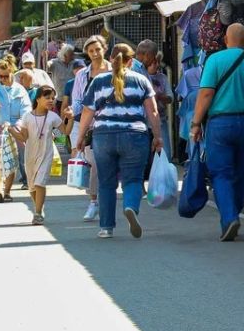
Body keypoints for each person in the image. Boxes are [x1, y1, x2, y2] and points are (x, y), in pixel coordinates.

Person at [189, 23, 244, 242]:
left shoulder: (214, 61)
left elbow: (206, 94)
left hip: (221, 124)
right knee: (240, 172)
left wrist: (196, 123)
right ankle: (233, 214)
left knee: (221, 173)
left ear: (226, 40)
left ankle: (230, 217)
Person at [74, 43, 163, 239]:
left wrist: (80, 137)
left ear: (111, 57)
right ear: (131, 61)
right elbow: (153, 111)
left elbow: (87, 111)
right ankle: (130, 207)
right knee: (133, 179)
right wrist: (157, 137)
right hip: (135, 135)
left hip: (103, 136)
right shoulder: (141, 80)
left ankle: (106, 227)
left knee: (106, 182)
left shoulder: (98, 81)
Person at [10, 87, 73, 225]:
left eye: (52, 98)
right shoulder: (27, 116)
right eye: (47, 97)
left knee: (40, 183)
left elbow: (65, 132)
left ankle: (37, 213)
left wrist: (70, 118)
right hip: (30, 155)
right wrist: (11, 130)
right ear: (38, 99)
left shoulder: (53, 117)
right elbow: (23, 137)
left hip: (46, 153)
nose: (51, 100)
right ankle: (39, 207)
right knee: (32, 186)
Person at [0, 55, 32, 203]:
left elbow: (26, 110)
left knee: (12, 161)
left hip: (14, 128)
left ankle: (7, 192)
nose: (2, 79)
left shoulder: (20, 90)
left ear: (12, 72)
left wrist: (20, 125)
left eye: (5, 76)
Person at [72, 35, 111, 221]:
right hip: (91, 128)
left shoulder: (115, 71)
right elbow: (78, 101)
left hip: (114, 124)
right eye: (91, 50)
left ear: (105, 48)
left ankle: (110, 202)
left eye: (98, 49)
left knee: (111, 166)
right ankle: (94, 202)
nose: (95, 53)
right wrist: (73, 112)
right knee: (95, 164)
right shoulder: (82, 75)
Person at [136, 39, 173, 159]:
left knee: (160, 154)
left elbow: (170, 98)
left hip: (155, 120)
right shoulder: (135, 70)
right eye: (153, 59)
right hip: (139, 121)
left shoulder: (144, 71)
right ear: (148, 56)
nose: (155, 63)